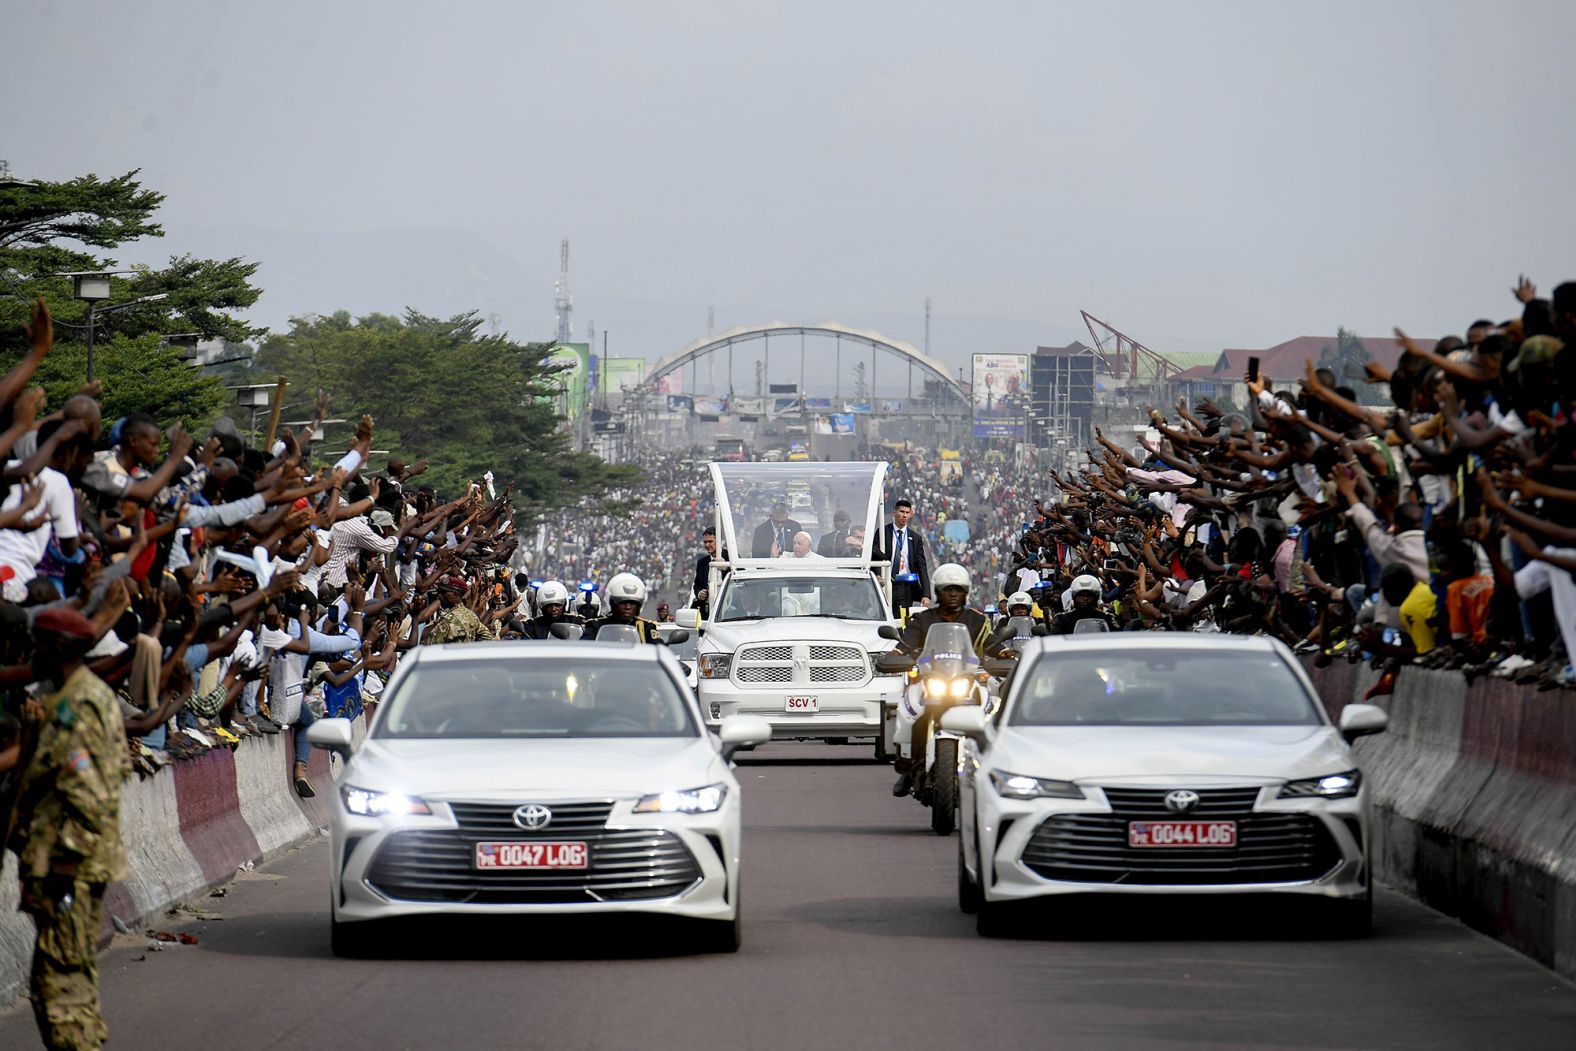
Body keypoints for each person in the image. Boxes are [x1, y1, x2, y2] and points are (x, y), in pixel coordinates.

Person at [8, 607, 131, 1051]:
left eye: (38, 646)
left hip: (69, 870)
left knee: (60, 989)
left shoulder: (75, 706)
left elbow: (89, 795)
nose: (32, 655)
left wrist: (62, 870)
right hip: (70, 866)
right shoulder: (84, 697)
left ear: (56, 649)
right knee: (68, 977)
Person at [892, 563, 992, 797]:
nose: (953, 594)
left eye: (958, 589)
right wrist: (895, 655)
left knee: (990, 712)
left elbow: (994, 644)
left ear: (966, 592)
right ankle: (909, 769)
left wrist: (1005, 654)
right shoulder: (923, 619)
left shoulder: (977, 621)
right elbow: (905, 645)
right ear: (938, 592)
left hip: (966, 681)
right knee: (913, 712)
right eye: (948, 589)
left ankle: (989, 765)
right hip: (932, 681)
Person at [879, 497, 931, 615]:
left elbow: (921, 566)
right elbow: (875, 556)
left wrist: (926, 594)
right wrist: (878, 575)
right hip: (887, 583)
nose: (905, 515)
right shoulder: (883, 532)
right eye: (902, 512)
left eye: (907, 513)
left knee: (902, 619)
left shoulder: (915, 538)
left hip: (906, 586)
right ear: (894, 513)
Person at [584, 572, 661, 642]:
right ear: (612, 603)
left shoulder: (645, 628)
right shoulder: (596, 626)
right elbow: (583, 648)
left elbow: (660, 650)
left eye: (632, 603)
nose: (628, 607)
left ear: (639, 606)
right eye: (622, 602)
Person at [421, 574, 493, 645]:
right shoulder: (471, 616)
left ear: (456, 595)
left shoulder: (447, 620)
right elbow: (490, 639)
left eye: (443, 592)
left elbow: (428, 648)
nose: (439, 596)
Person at [1052, 574, 1119, 634]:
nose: (1085, 599)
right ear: (1073, 597)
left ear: (1097, 598)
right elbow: (1054, 640)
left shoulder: (1107, 618)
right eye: (1081, 595)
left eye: (1089, 595)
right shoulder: (1063, 619)